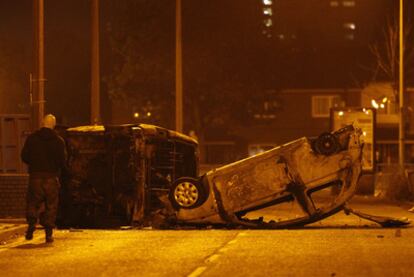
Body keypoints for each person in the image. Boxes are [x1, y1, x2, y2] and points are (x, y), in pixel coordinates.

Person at [21, 114, 67, 243]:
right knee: (51, 205)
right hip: (51, 177)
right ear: (53, 125)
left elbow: (24, 156)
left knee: (32, 202)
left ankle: (31, 224)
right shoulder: (59, 141)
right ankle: (48, 233)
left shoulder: (32, 139)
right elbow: (63, 161)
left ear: (42, 123)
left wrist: (34, 164)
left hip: (35, 176)